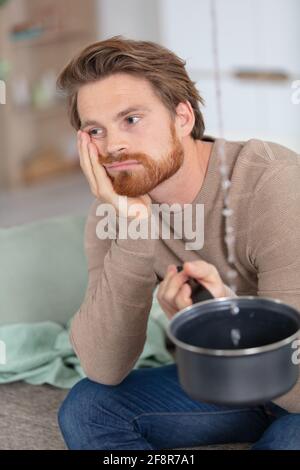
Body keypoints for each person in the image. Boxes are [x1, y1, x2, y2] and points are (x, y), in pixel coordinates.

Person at [56, 36, 300, 450]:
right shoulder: (112, 211)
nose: (113, 146)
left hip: (292, 385)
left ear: (182, 117)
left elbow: (293, 391)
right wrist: (134, 227)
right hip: (229, 383)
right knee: (87, 408)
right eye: (95, 130)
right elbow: (103, 367)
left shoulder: (274, 185)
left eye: (131, 119)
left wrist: (223, 320)